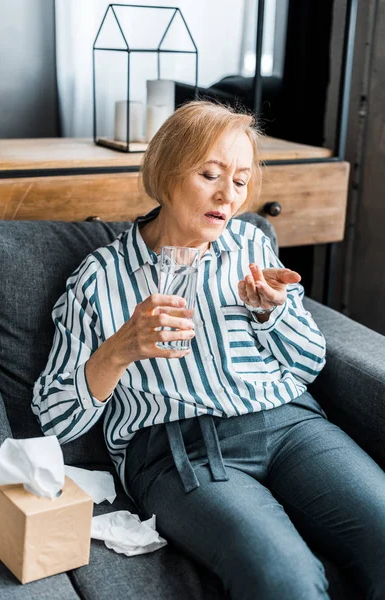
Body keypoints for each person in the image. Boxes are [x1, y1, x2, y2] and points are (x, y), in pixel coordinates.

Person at [32, 101, 385, 600]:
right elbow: (53, 420)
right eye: (210, 174)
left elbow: (309, 363)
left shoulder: (250, 247)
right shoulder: (99, 278)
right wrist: (118, 350)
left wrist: (273, 314)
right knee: (283, 578)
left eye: (240, 181)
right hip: (179, 450)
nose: (228, 195)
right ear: (167, 172)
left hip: (289, 424)